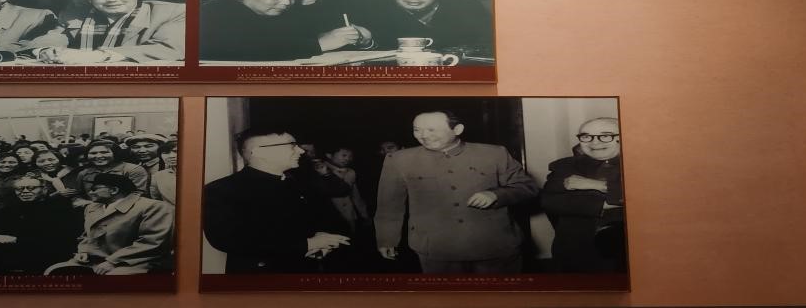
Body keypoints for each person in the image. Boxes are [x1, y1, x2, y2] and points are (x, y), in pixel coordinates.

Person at [375, 111, 538, 274]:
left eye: (431, 130)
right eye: (417, 130)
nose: (423, 136)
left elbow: (527, 187)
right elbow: (389, 205)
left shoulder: (495, 154)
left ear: (457, 129)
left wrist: (496, 195)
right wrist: (387, 239)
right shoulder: (399, 160)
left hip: (495, 246)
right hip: (436, 249)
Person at [202, 127, 354, 273]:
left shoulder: (299, 184)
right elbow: (229, 240)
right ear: (260, 152)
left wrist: (323, 245)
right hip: (259, 280)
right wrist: (307, 244)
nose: (301, 150)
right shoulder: (221, 190)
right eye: (292, 145)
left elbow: (331, 220)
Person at [199, 0, 374, 61]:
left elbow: (296, 39)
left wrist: (362, 40)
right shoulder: (214, 14)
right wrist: (318, 44)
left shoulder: (283, 14)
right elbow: (246, 47)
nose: (287, 3)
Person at [36, 0, 186, 64]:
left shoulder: (172, 12)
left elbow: (169, 48)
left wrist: (98, 55)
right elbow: (54, 36)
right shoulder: (75, 14)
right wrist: (46, 50)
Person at [541, 117, 626, 273]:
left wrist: (596, 185)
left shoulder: (642, 163)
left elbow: (648, 196)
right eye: (586, 136)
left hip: (629, 251)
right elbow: (549, 201)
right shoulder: (565, 166)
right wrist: (605, 204)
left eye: (605, 136)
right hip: (577, 250)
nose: (594, 143)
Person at [46, 173, 174, 275]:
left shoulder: (153, 207)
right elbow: (86, 235)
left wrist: (113, 261)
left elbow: (151, 242)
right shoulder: (92, 207)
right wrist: (83, 251)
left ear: (114, 190)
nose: (90, 192)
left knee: (110, 282)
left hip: (135, 261)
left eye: (95, 189)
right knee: (55, 272)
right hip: (93, 260)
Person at [359, 0, 493, 52]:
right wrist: (367, 43)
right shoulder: (376, 9)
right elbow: (375, 51)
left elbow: (488, 45)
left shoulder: (467, 8)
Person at [0, 176, 84, 274]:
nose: (25, 191)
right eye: (20, 189)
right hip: (14, 260)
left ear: (44, 190)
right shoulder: (7, 210)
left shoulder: (59, 209)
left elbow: (59, 240)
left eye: (31, 188)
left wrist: (17, 240)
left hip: (48, 261)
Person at [76, 141, 149, 202]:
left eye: (104, 152)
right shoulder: (84, 173)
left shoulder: (132, 169)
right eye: (93, 153)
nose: (98, 156)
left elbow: (138, 194)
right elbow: (78, 194)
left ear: (115, 153)